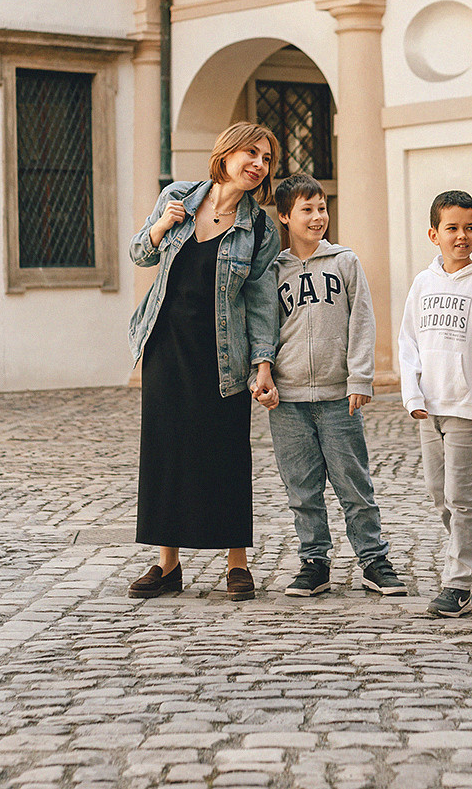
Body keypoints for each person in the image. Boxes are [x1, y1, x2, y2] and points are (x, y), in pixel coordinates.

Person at [125, 122, 283, 602]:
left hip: (223, 355)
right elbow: (139, 254)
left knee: (226, 454)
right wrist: (160, 226)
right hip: (166, 345)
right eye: (250, 153)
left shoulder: (259, 227)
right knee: (165, 452)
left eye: (267, 158)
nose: (258, 165)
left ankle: (237, 565)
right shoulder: (179, 197)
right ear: (226, 151)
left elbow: (260, 302)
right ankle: (166, 564)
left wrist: (262, 365)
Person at [262, 172, 409, 598]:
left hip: (337, 398)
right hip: (288, 401)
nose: (317, 216)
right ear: (286, 216)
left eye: (322, 208)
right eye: (306, 209)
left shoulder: (344, 261)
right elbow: (264, 327)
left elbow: (362, 321)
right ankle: (315, 562)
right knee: (302, 488)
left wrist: (359, 377)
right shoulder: (273, 272)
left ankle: (373, 559)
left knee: (353, 483)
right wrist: (263, 373)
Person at [397, 189, 472, 619]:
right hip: (430, 406)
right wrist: (412, 393)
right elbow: (408, 342)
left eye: (468, 229)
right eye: (452, 229)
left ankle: (457, 584)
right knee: (439, 497)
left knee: (463, 500)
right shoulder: (422, 284)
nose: (460, 236)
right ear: (434, 234)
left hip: (467, 406)